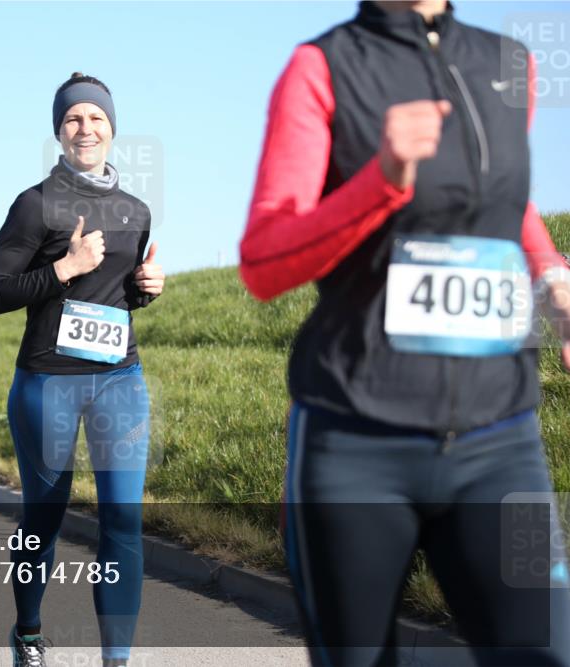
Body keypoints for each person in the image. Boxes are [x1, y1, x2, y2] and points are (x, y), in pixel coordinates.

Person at [239, 2, 570, 665]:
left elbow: (508, 202)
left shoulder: (512, 65)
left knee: (544, 653)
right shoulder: (320, 67)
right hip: (356, 439)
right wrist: (381, 180)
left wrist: (553, 276)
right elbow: (264, 261)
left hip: (499, 437)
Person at [0, 72, 165, 667]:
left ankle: (117, 661)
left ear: (113, 130)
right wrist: (63, 267)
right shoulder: (35, 205)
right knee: (45, 517)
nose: (86, 128)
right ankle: (28, 633)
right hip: (47, 383)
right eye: (73, 119)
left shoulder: (137, 211)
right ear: (59, 131)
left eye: (97, 118)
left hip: (118, 380)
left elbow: (115, 298)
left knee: (123, 522)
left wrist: (145, 290)